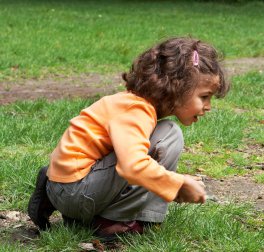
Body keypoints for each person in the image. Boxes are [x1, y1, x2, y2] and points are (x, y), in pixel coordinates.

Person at [27, 37, 230, 239]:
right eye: (204, 96)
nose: (208, 106)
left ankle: (76, 206)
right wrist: (177, 184)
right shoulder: (136, 110)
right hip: (76, 191)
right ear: (177, 87)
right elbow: (131, 166)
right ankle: (111, 223)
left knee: (159, 137)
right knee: (170, 134)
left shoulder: (134, 105)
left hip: (72, 187)